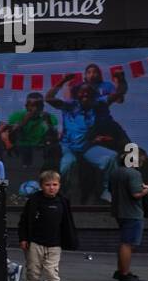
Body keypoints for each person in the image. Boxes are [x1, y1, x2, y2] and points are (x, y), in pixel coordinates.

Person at [17, 170, 79, 281]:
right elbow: (24, 221)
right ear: (41, 186)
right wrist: (23, 238)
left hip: (54, 244)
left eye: (55, 185)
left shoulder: (62, 201)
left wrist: (70, 240)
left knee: (52, 274)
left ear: (59, 185)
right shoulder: (34, 200)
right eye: (48, 185)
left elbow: (67, 222)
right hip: (35, 243)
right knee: (33, 273)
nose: (52, 188)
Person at [47, 74, 118, 202]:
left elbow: (117, 95)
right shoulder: (70, 106)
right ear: (77, 94)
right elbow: (48, 98)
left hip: (87, 147)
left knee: (111, 157)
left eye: (89, 93)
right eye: (82, 92)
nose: (85, 95)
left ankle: (108, 191)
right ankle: (63, 193)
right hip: (69, 147)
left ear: (94, 95)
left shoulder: (98, 107)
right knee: (67, 164)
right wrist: (63, 81)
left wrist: (120, 81)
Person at [109, 150, 148, 281]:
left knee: (124, 242)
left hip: (119, 212)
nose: (142, 163)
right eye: (141, 160)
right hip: (132, 213)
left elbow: (110, 189)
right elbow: (136, 194)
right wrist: (146, 190)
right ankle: (124, 274)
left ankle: (121, 270)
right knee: (128, 244)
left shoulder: (115, 172)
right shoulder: (134, 173)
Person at [0, 92, 59, 166]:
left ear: (42, 106)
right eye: (31, 105)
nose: (34, 108)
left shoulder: (50, 118)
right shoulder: (17, 116)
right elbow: (9, 135)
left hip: (40, 152)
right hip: (19, 150)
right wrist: (23, 122)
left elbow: (55, 138)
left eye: (37, 105)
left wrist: (48, 124)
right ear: (26, 105)